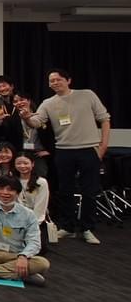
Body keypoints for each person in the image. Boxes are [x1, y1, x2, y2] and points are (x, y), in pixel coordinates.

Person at [18, 69, 109, 245]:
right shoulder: (48, 103)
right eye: (51, 81)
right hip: (64, 150)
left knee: (89, 191)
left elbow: (105, 119)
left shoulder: (87, 95)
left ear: (68, 80)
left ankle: (87, 228)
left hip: (88, 149)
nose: (54, 83)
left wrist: (103, 146)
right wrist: (27, 117)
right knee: (65, 190)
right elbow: (36, 122)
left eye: (58, 79)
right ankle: (68, 227)